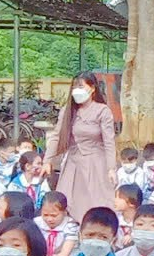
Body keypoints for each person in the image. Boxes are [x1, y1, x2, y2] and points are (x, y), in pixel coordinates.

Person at [49, 73, 120, 219]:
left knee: (96, 203)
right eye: (74, 86)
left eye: (81, 86)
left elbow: (109, 142)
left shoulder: (102, 110)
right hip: (73, 163)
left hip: (96, 163)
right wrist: (46, 160)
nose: (76, 90)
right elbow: (56, 136)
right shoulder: (67, 111)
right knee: (66, 202)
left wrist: (111, 168)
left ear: (92, 88)